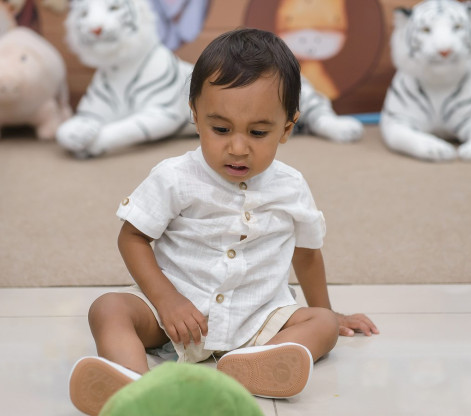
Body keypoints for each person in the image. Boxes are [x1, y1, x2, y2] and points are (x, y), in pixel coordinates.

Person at [69, 27, 379, 416]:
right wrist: (166, 300)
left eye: (258, 132)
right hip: (173, 318)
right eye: (220, 129)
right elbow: (131, 238)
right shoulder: (175, 177)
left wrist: (329, 311)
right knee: (108, 308)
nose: (237, 147)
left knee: (323, 326)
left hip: (259, 319)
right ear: (195, 114)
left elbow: (307, 254)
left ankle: (252, 366)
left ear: (287, 128)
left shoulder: (291, 187)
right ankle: (135, 384)